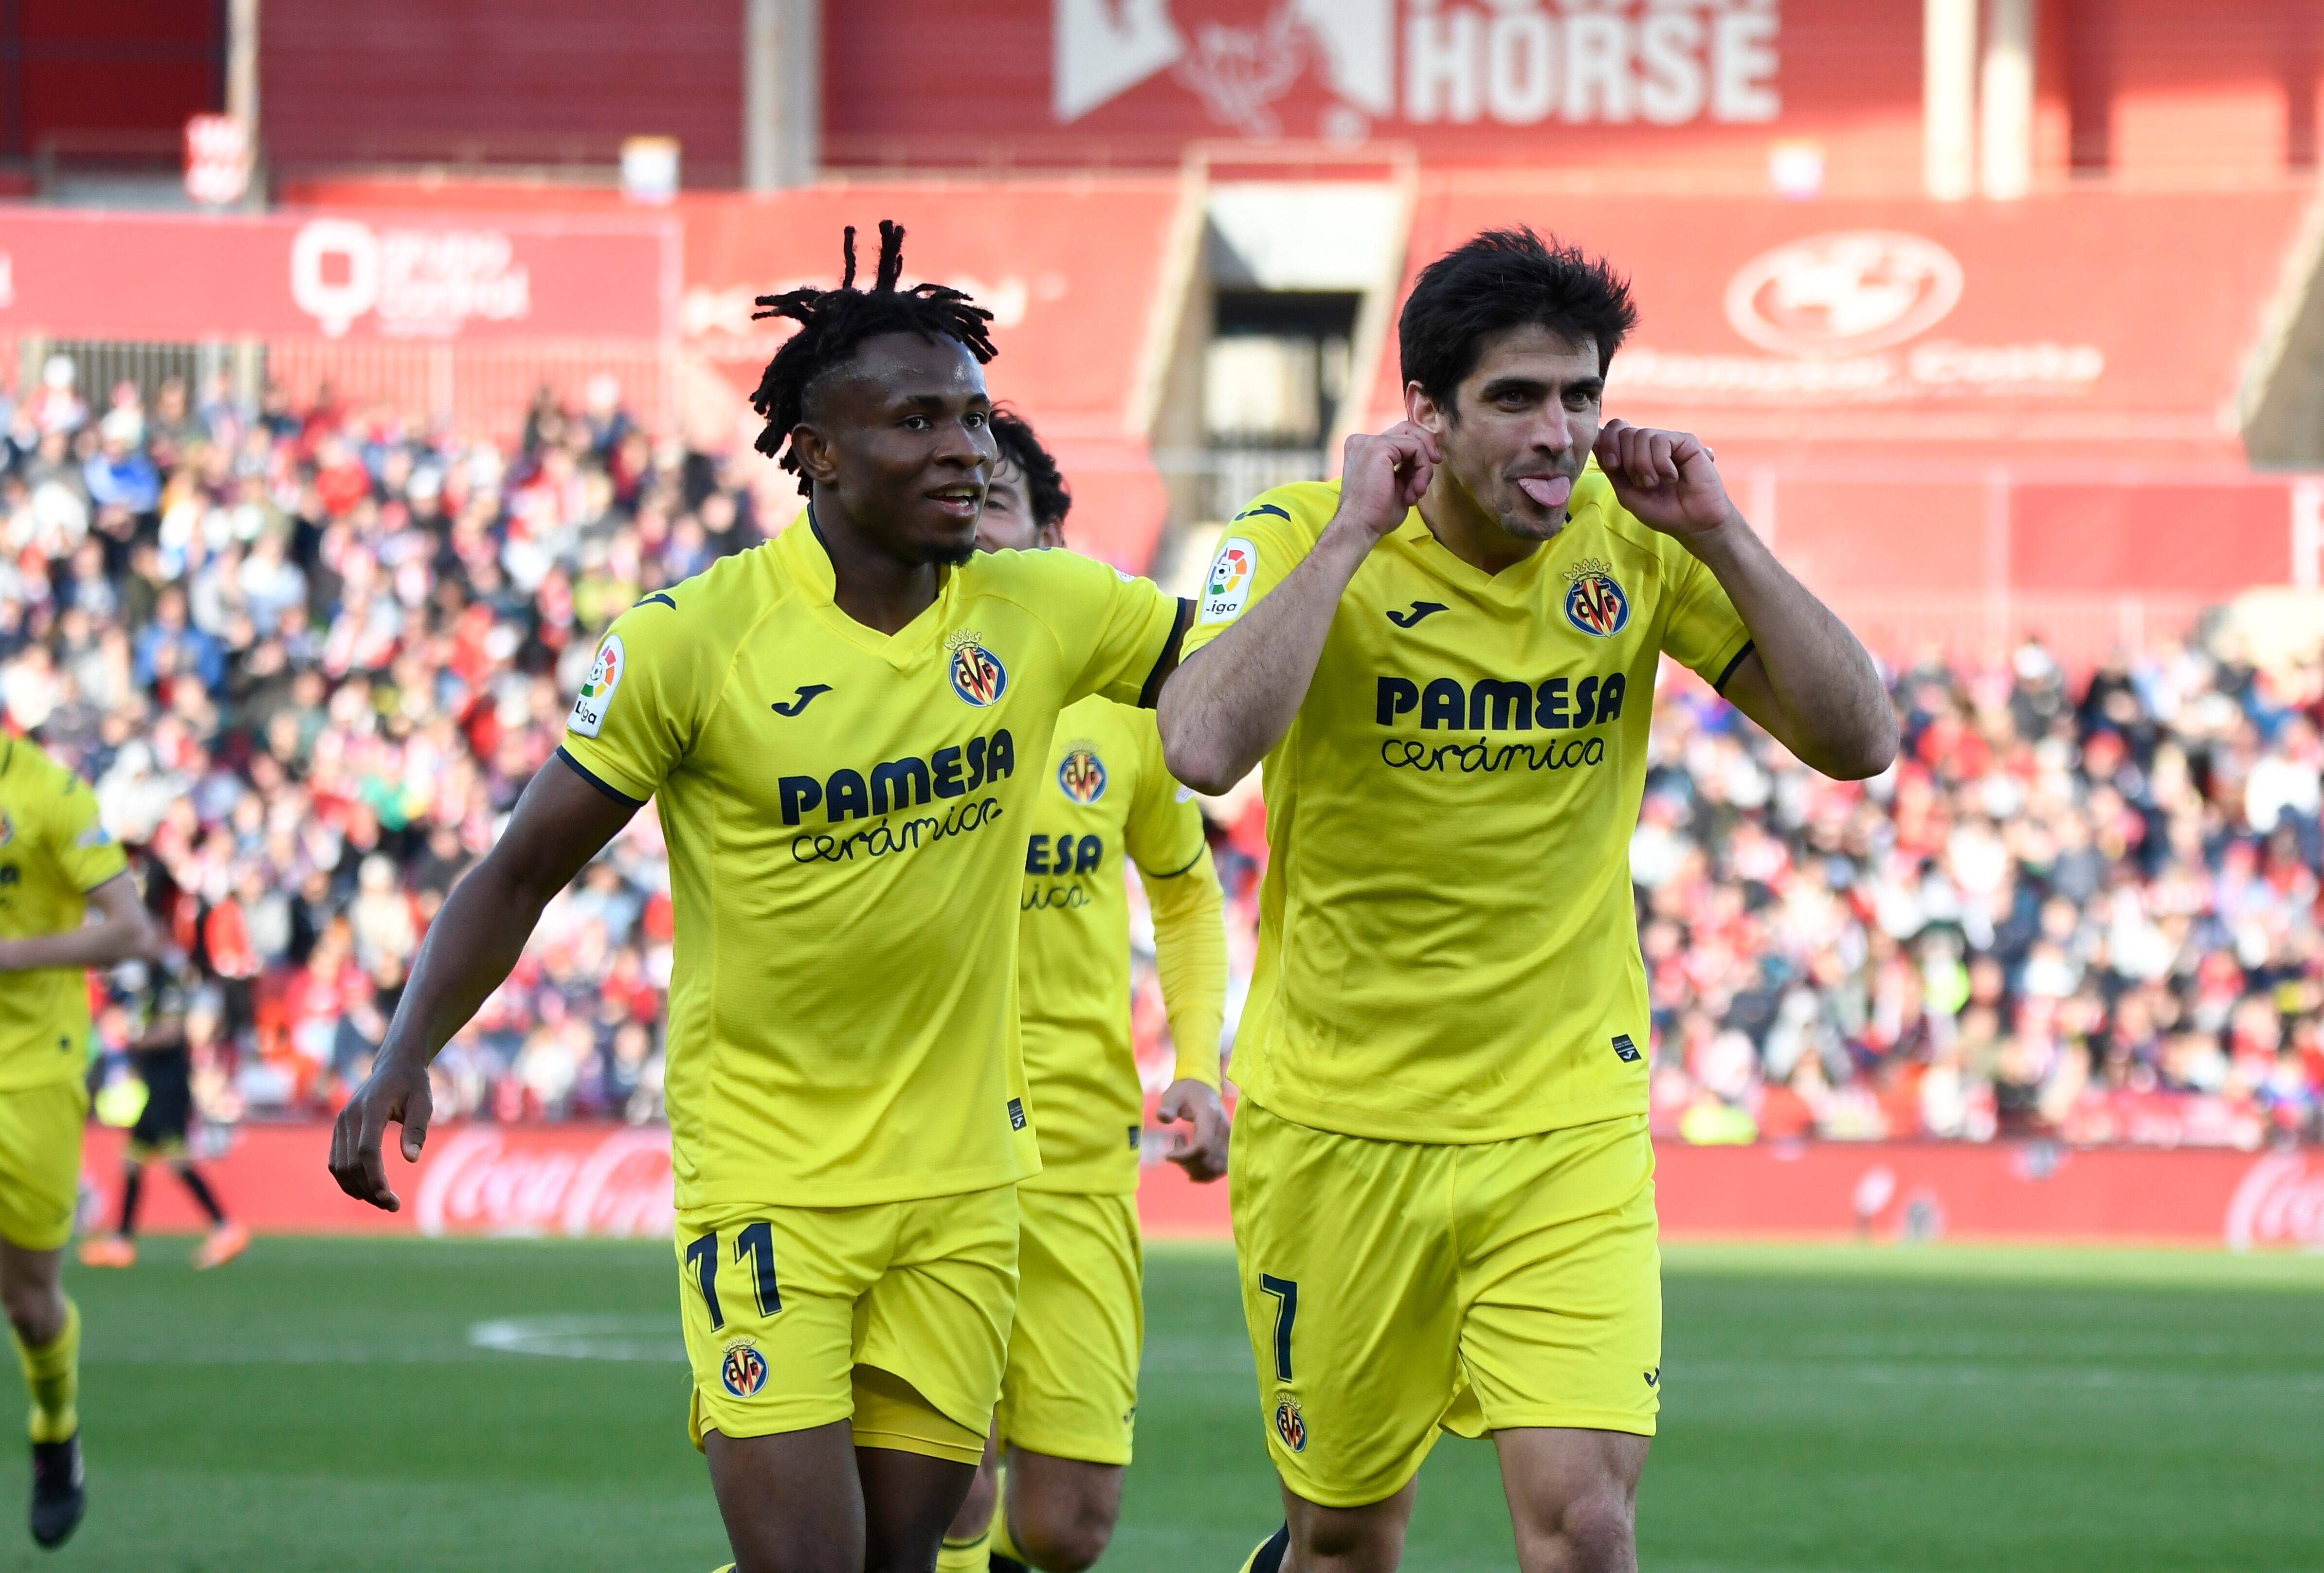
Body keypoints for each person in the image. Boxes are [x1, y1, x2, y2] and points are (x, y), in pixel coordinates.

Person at [328, 220, 1193, 1573]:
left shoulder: (1046, 608)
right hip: (771, 1183)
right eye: (920, 419)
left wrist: (1370, 535)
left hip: (966, 1190)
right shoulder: (698, 643)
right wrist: (402, 1049)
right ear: (820, 451)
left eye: (974, 417)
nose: (966, 447)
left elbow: (1243, 678)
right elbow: (517, 871)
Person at [1157, 228, 1897, 1573]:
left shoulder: (1642, 540)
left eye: (1581, 396)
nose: (1558, 433)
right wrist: (1345, 540)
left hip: (1565, 1117)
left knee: (1587, 1530)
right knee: (1340, 1539)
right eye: (1516, 399)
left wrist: (1723, 534)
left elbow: (1860, 740)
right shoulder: (1295, 541)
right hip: (1339, 1123)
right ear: (1425, 418)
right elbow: (1199, 747)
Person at [937, 412, 1230, 1573]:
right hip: (930, 1143)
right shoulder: (892, 698)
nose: (969, 527)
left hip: (1078, 1150)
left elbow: (1188, 891)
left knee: (1066, 1525)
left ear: (1055, 539)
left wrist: (1199, 1066)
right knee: (945, 1482)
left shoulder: (1124, 716)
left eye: (993, 501)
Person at [0, 736, 162, 1547]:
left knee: (29, 1305)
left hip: (29, 1075)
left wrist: (8, 956)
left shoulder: (50, 795)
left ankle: (56, 1425)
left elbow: (131, 931)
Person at [77, 943, 249, 1271]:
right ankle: (121, 1241)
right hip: (156, 1089)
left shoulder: (166, 983)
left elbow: (171, 1032)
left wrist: (133, 1037)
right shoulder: (145, 988)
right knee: (131, 1161)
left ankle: (226, 1227)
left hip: (169, 1090)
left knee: (177, 1161)